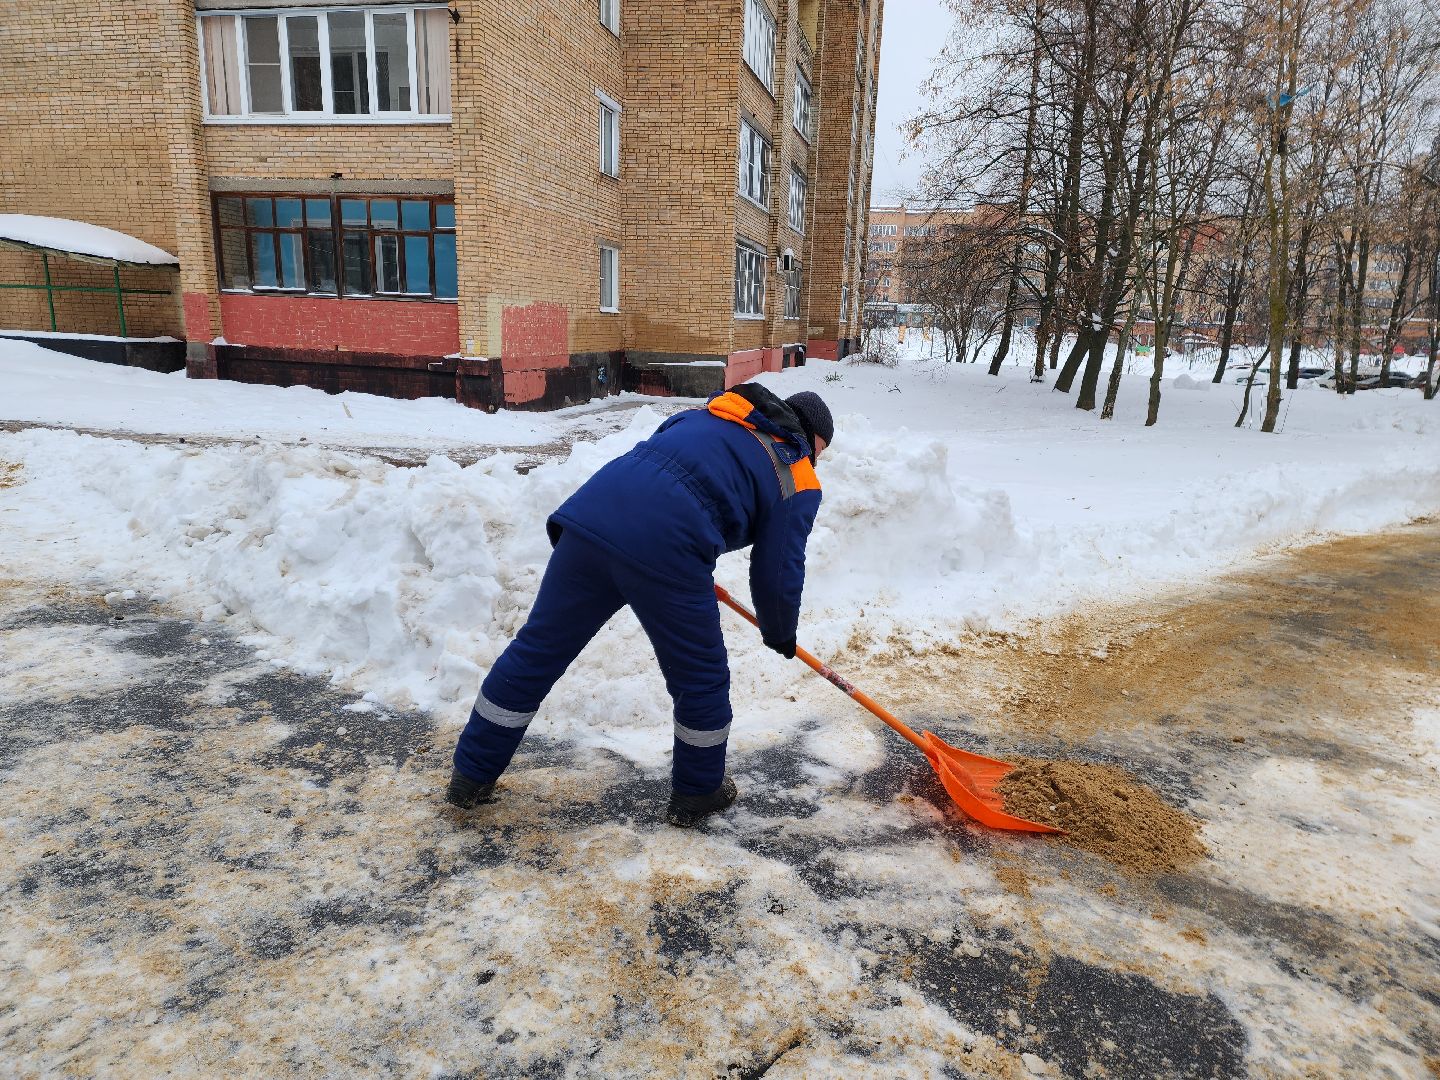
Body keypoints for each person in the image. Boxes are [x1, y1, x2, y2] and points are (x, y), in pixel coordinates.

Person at [446, 383, 834, 827]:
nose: (819, 458)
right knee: (701, 678)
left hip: (591, 519)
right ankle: (699, 792)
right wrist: (779, 631)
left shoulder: (708, 416)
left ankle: (470, 778)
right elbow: (780, 568)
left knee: (536, 651)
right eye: (823, 448)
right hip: (665, 547)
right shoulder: (796, 471)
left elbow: (669, 473)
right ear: (813, 436)